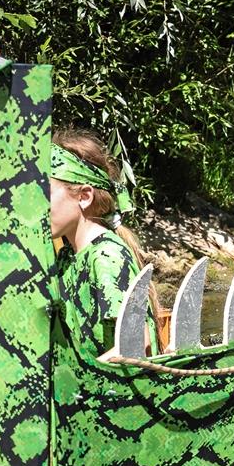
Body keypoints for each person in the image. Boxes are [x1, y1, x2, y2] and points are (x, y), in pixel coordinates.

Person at [49, 127, 159, 359]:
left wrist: (78, 382)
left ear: (84, 196)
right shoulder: (67, 256)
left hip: (120, 392)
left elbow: (137, 344)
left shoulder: (107, 256)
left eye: (45, 192)